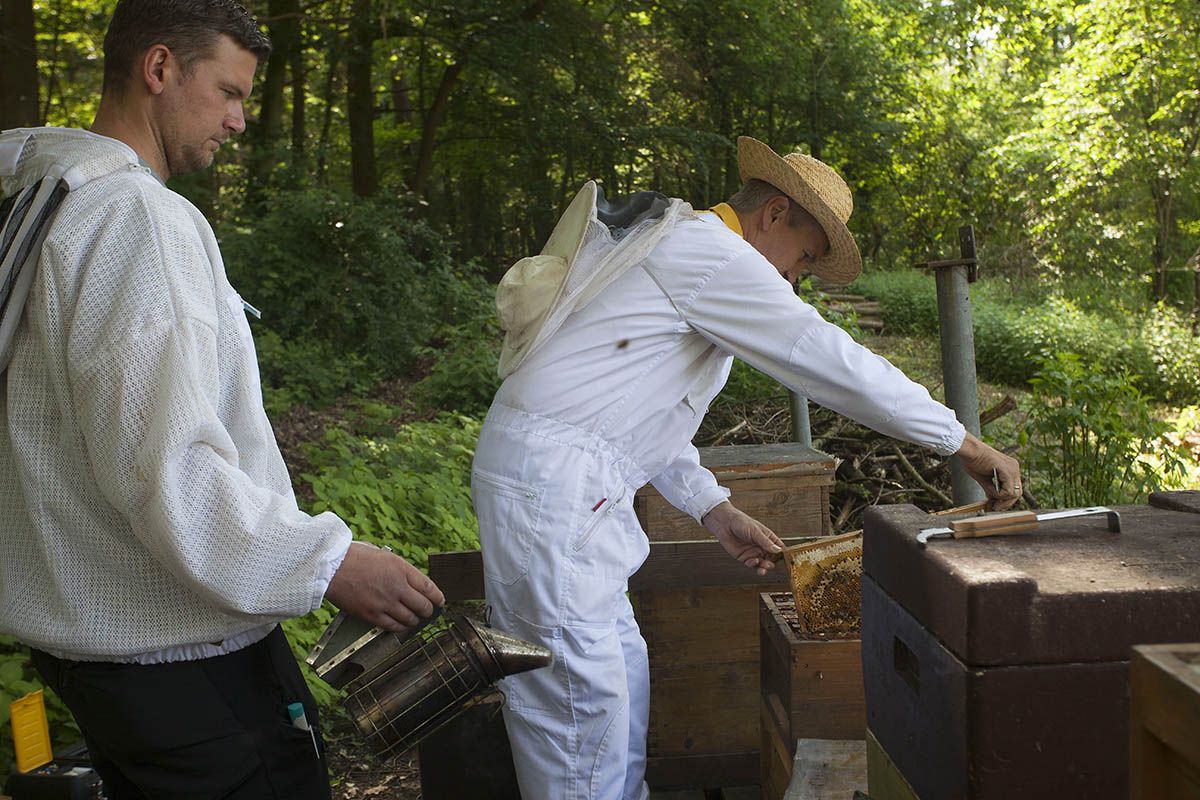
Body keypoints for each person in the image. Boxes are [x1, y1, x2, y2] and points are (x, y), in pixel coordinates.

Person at [473, 136, 1022, 800]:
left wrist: (712, 505)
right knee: (575, 710)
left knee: (618, 679)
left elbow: (639, 415)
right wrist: (964, 443)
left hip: (565, 485)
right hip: (554, 491)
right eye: (806, 257)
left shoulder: (683, 254)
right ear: (774, 214)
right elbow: (829, 360)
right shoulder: (710, 255)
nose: (798, 277)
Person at [0, 2, 443, 797]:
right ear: (160, 69)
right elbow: (164, 468)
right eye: (229, 92)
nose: (240, 120)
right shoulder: (135, 218)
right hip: (182, 670)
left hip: (103, 664)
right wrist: (332, 562)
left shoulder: (40, 200)